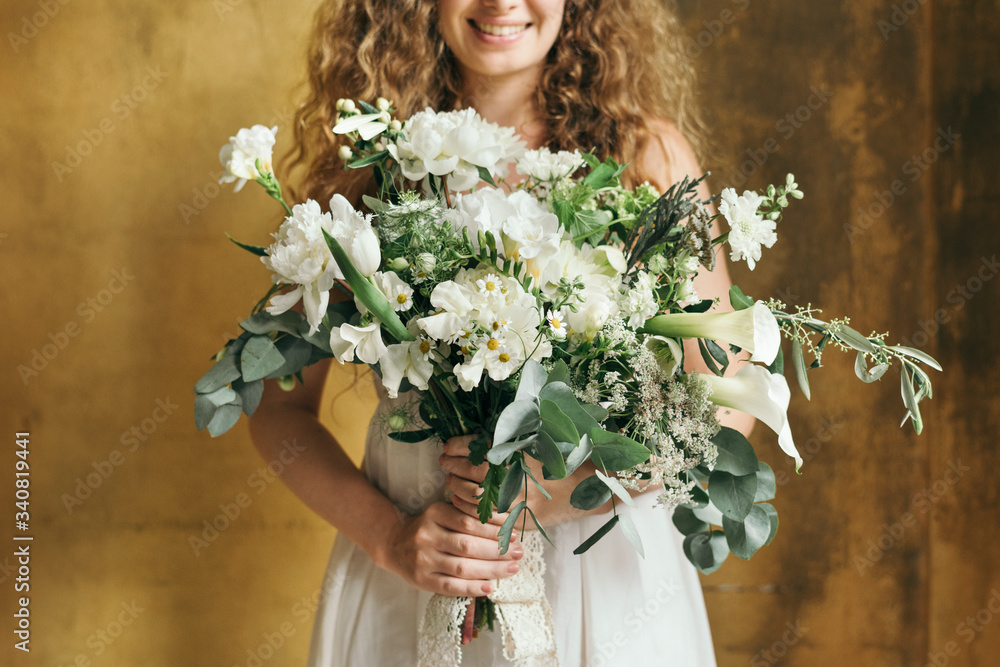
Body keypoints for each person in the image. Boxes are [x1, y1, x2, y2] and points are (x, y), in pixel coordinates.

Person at [249, 0, 755, 664]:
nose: (502, 2)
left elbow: (726, 401)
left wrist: (553, 494)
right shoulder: (367, 160)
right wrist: (392, 539)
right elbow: (276, 406)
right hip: (415, 573)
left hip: (601, 580)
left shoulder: (644, 157)